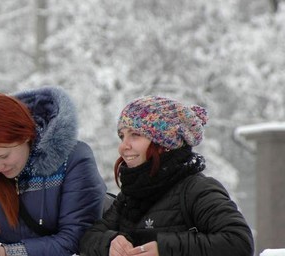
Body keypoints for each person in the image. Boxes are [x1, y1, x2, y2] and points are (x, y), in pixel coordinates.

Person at [79, 95, 254, 256]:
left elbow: (239, 242)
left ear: (164, 142)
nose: (123, 146)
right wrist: (110, 242)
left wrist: (164, 249)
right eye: (122, 136)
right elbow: (89, 238)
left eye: (135, 135)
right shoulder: (129, 196)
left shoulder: (197, 189)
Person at [0, 86, 107, 256]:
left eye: (4, 156)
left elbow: (76, 238)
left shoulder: (73, 160)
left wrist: (10, 253)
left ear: (25, 136)